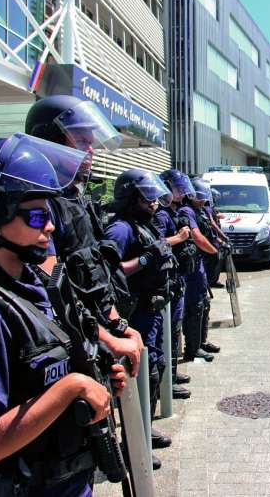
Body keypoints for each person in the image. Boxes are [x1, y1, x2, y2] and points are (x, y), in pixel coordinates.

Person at [0, 133, 126, 496]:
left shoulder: (34, 286)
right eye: (36, 215)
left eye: (49, 215)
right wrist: (73, 387)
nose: (49, 226)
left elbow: (40, 374)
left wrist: (97, 377)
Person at [25, 95, 144, 387]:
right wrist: (110, 339)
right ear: (49, 141)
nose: (91, 150)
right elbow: (54, 286)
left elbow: (94, 272)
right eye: (80, 140)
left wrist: (117, 324)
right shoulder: (38, 204)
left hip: (92, 336)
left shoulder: (75, 198)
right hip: (66, 346)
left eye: (91, 142)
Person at [103, 169, 176, 466]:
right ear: (131, 198)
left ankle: (143, 429)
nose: (154, 204)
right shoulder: (120, 229)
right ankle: (133, 445)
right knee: (141, 375)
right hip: (135, 315)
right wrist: (146, 258)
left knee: (154, 369)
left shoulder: (140, 224)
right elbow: (111, 269)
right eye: (147, 199)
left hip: (151, 311)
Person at [155, 170, 197, 400]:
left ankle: (171, 374)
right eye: (177, 189)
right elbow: (156, 246)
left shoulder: (174, 211)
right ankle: (166, 383)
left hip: (178, 276)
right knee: (168, 332)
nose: (181, 193)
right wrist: (179, 238)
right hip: (168, 279)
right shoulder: (162, 215)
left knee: (175, 330)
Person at [184, 179, 220, 358]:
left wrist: (220, 243)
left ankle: (201, 342)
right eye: (199, 196)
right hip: (192, 266)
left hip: (200, 264)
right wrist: (214, 252)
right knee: (195, 305)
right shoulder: (187, 211)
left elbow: (211, 227)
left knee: (204, 303)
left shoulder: (200, 210)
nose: (203, 200)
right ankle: (192, 348)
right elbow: (197, 237)